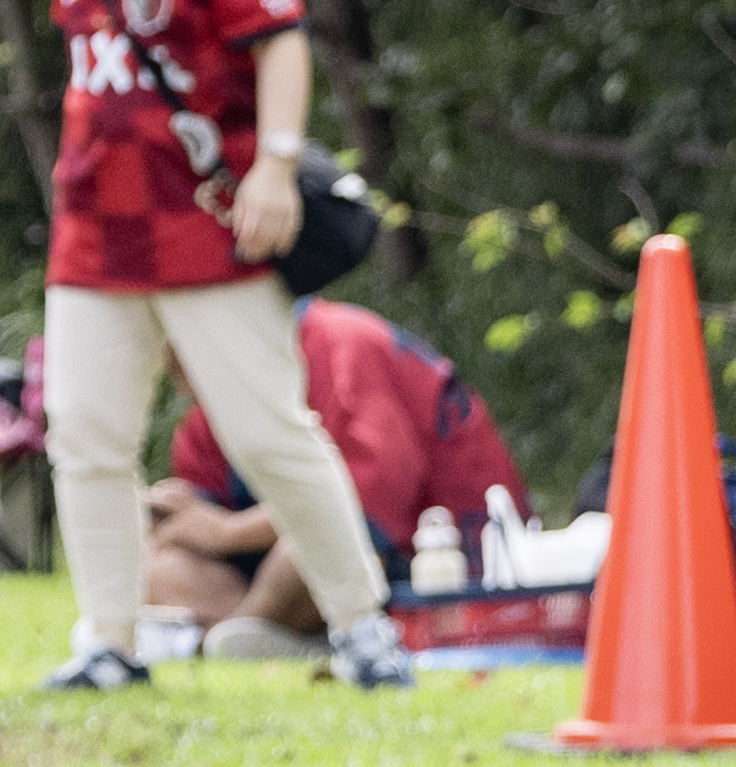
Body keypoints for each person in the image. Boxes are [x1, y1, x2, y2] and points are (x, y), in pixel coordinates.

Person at [12, 0, 411, 692]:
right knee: (87, 439)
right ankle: (108, 639)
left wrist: (275, 165)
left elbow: (278, 43)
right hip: (97, 223)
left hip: (207, 220)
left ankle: (364, 625)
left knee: (270, 430)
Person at [146, 272, 531, 653]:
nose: (185, 387)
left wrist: (228, 532)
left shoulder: (342, 346)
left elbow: (367, 502)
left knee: (310, 547)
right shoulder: (216, 396)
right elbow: (204, 495)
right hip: (279, 559)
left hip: (428, 550)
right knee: (158, 563)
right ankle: (256, 639)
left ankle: (242, 636)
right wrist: (176, 514)